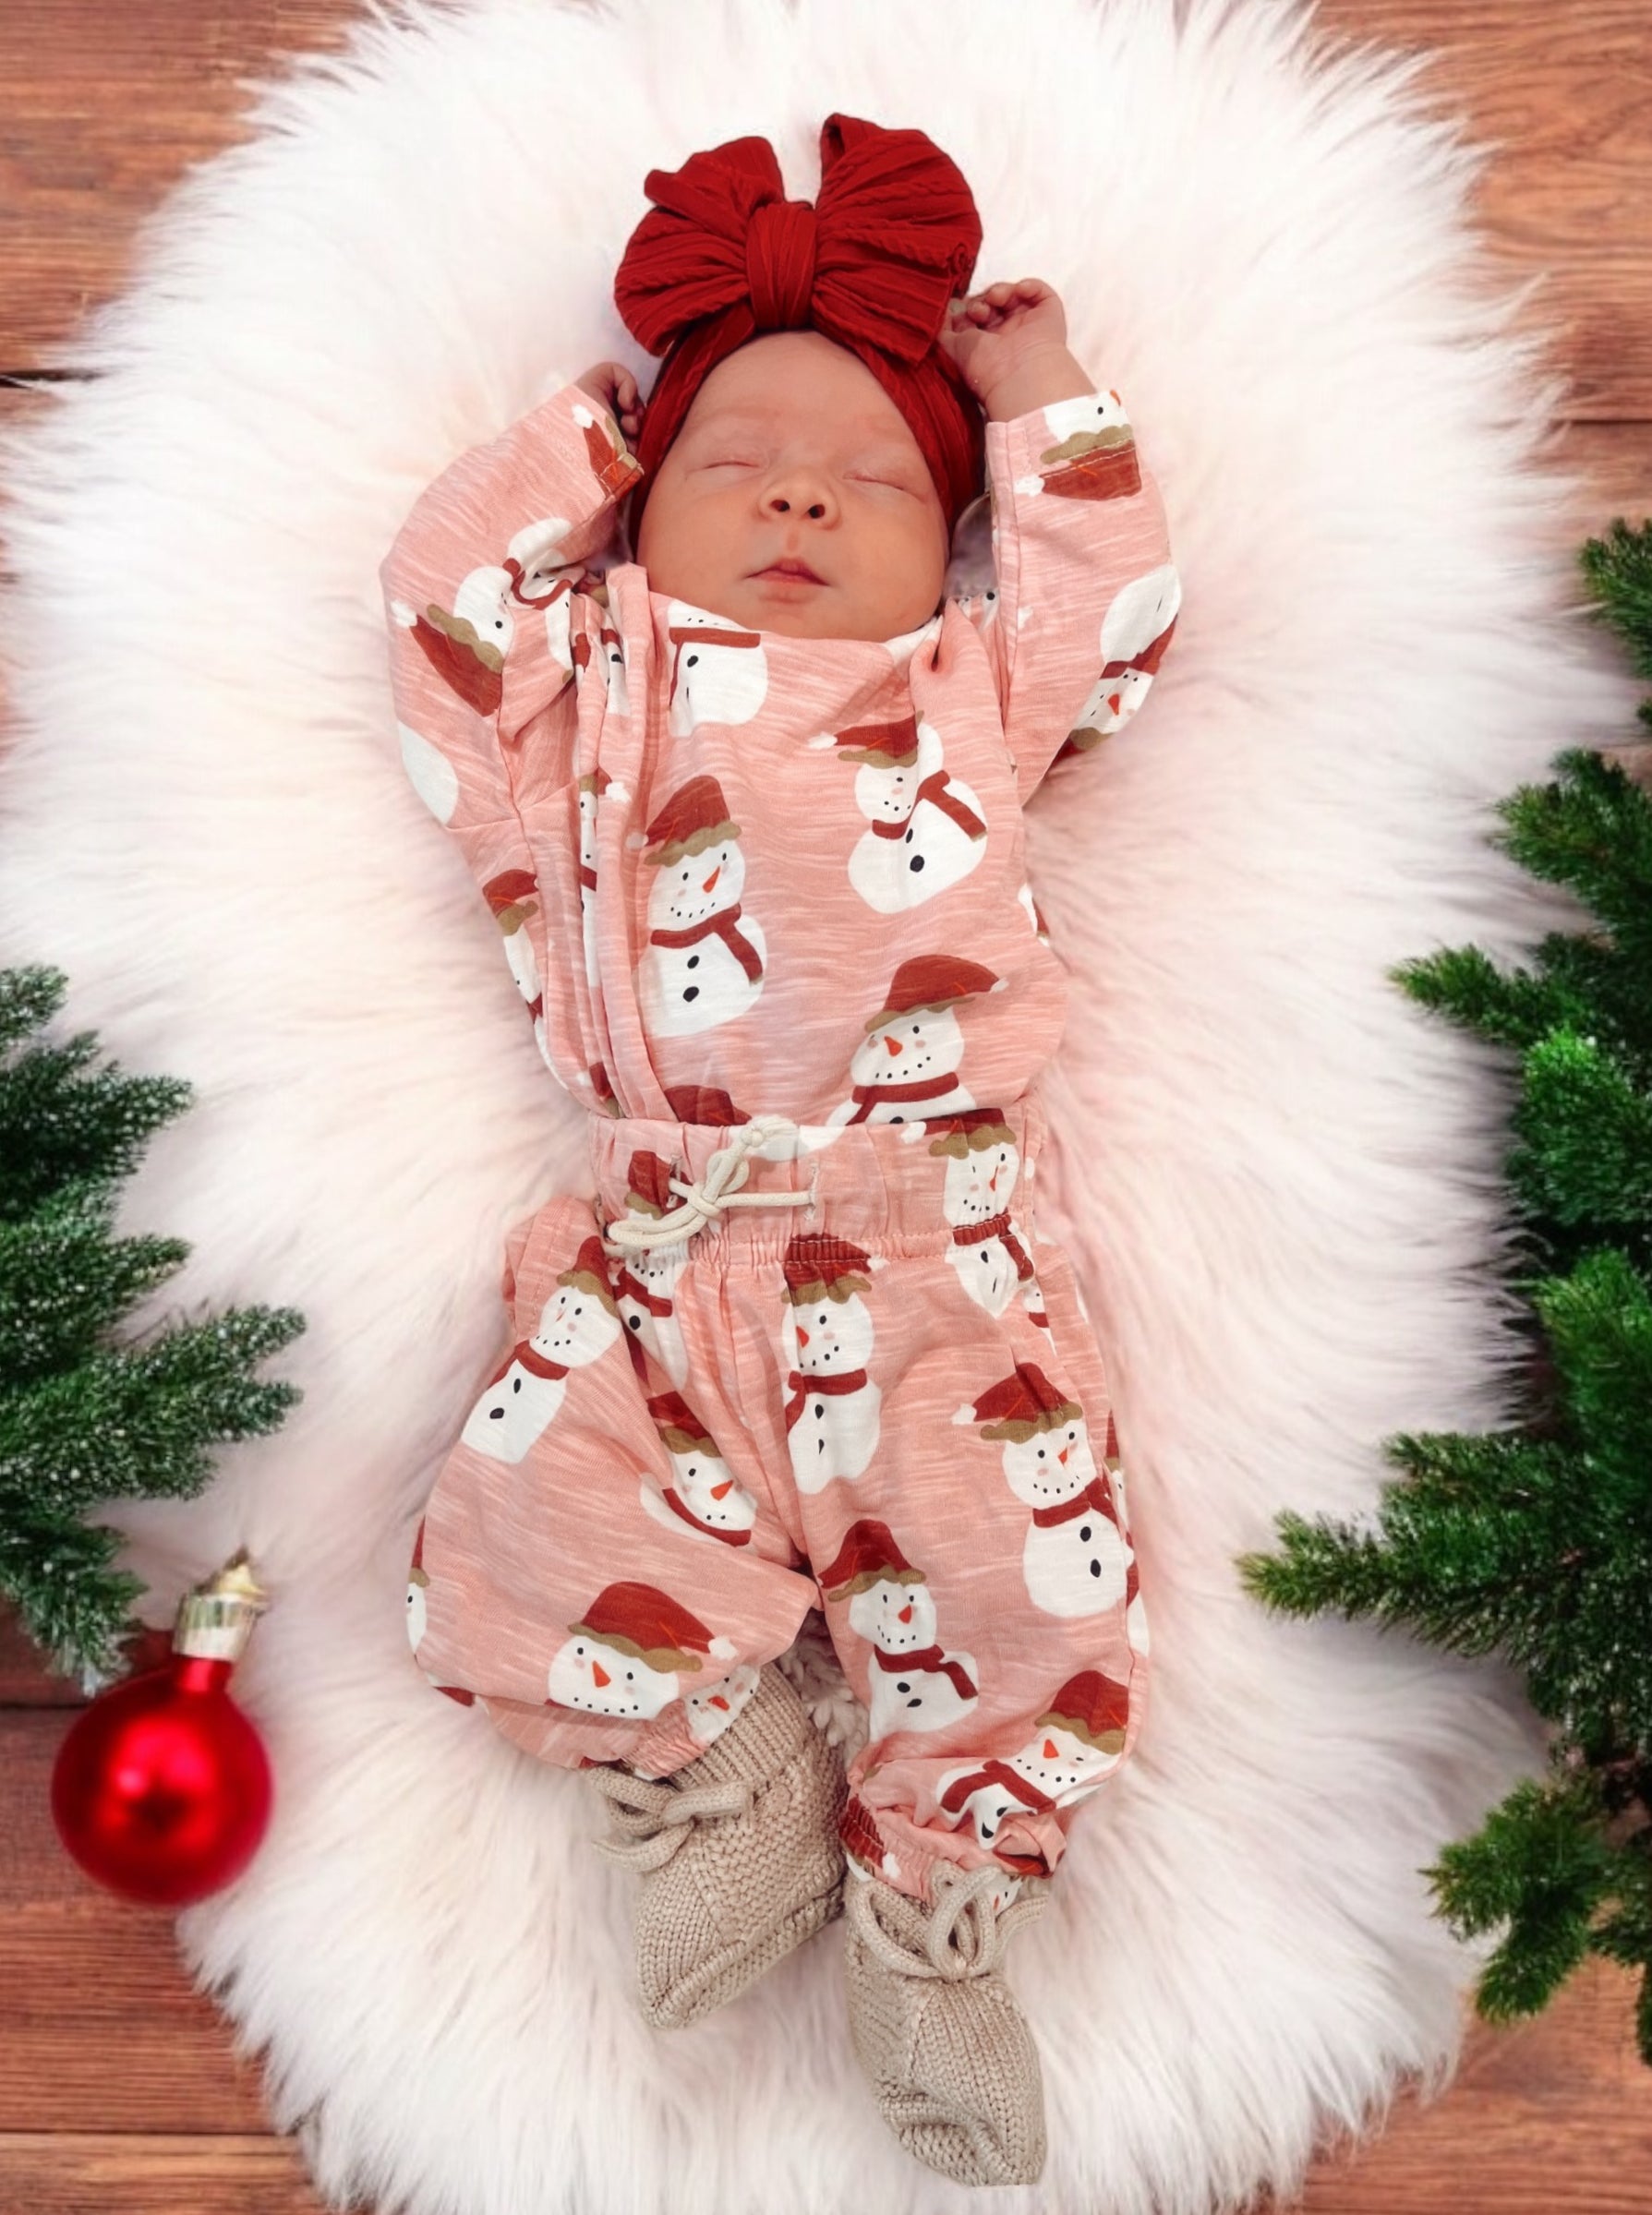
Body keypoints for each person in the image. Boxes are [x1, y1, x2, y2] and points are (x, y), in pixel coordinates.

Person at [384, 112, 1179, 2190]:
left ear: (958, 545)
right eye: (735, 467)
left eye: (875, 480)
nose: (803, 492)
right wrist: (597, 435)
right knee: (514, 1520)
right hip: (654, 1240)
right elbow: (434, 601)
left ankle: (936, 1914)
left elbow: (1115, 612)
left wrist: (1045, 405)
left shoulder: (968, 690)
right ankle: (716, 1759)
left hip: (930, 1250)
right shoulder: (573, 700)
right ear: (646, 526)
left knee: (1019, 1585)